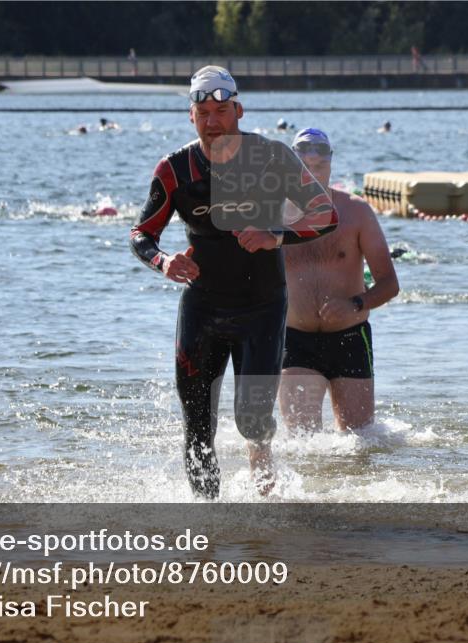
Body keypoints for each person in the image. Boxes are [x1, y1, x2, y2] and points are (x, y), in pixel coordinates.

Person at [129, 66, 338, 498]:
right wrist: (164, 261)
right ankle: (210, 522)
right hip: (202, 308)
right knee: (197, 426)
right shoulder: (175, 170)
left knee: (252, 421)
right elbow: (141, 235)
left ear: (238, 111)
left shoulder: (273, 157)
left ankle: (266, 485)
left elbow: (325, 214)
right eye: (202, 112)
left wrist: (275, 236)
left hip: (261, 307)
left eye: (221, 111)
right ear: (191, 117)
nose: (212, 121)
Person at [279, 128, 399, 433]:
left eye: (320, 167)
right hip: (295, 340)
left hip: (350, 337)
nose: (313, 174)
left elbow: (389, 283)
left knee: (361, 444)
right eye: (305, 167)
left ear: (330, 165)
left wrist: (355, 303)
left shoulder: (356, 212)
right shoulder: (270, 215)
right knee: (302, 444)